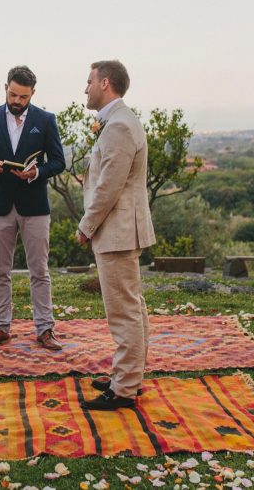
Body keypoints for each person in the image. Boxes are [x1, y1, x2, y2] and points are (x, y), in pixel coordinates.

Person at [75, 60, 155, 411]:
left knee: (123, 312)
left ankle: (124, 389)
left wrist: (86, 225)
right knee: (132, 307)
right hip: (122, 230)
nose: (85, 88)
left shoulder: (119, 126)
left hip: (118, 232)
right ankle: (128, 377)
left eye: (89, 81)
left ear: (105, 83)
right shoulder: (121, 121)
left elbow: (109, 186)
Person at [0, 65, 66, 351]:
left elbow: (59, 162)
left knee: (40, 271)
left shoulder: (46, 120)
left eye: (23, 97)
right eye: (13, 94)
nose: (17, 101)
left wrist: (36, 173)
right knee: (0, 271)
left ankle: (45, 330)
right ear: (5, 88)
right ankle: (0, 327)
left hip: (35, 206)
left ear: (32, 94)